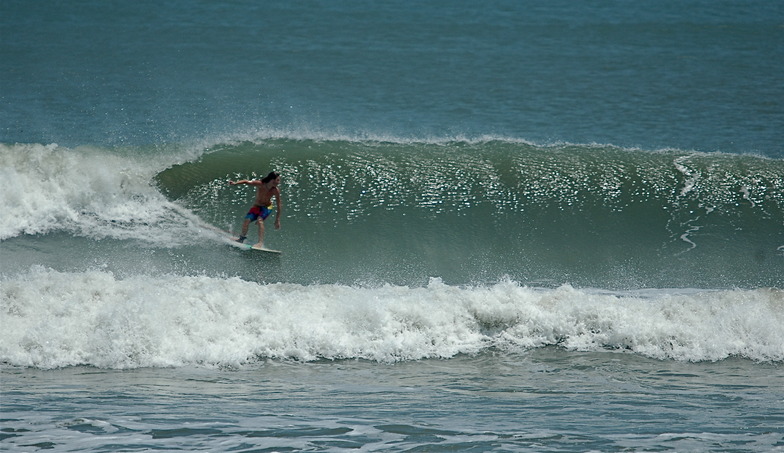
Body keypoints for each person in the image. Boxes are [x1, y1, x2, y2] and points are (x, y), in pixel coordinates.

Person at [228, 171, 282, 247]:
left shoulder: (275, 190)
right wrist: (235, 183)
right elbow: (246, 182)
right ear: (272, 180)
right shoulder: (260, 184)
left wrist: (277, 220)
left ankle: (260, 242)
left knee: (260, 221)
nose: (279, 182)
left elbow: (279, 204)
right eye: (278, 180)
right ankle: (241, 239)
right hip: (257, 206)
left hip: (267, 207)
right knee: (246, 221)